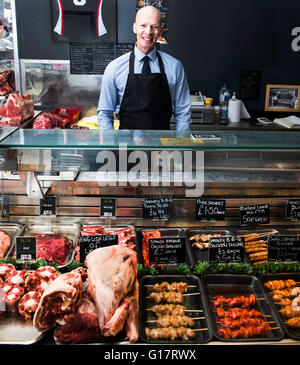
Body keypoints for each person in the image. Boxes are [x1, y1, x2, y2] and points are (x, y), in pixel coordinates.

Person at [97, 5, 192, 131]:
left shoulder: (175, 67)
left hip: (162, 146)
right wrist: (110, 144)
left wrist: (179, 145)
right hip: (126, 146)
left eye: (154, 26)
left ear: (160, 31)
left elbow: (183, 115)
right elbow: (104, 114)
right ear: (134, 27)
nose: (148, 31)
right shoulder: (114, 68)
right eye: (143, 25)